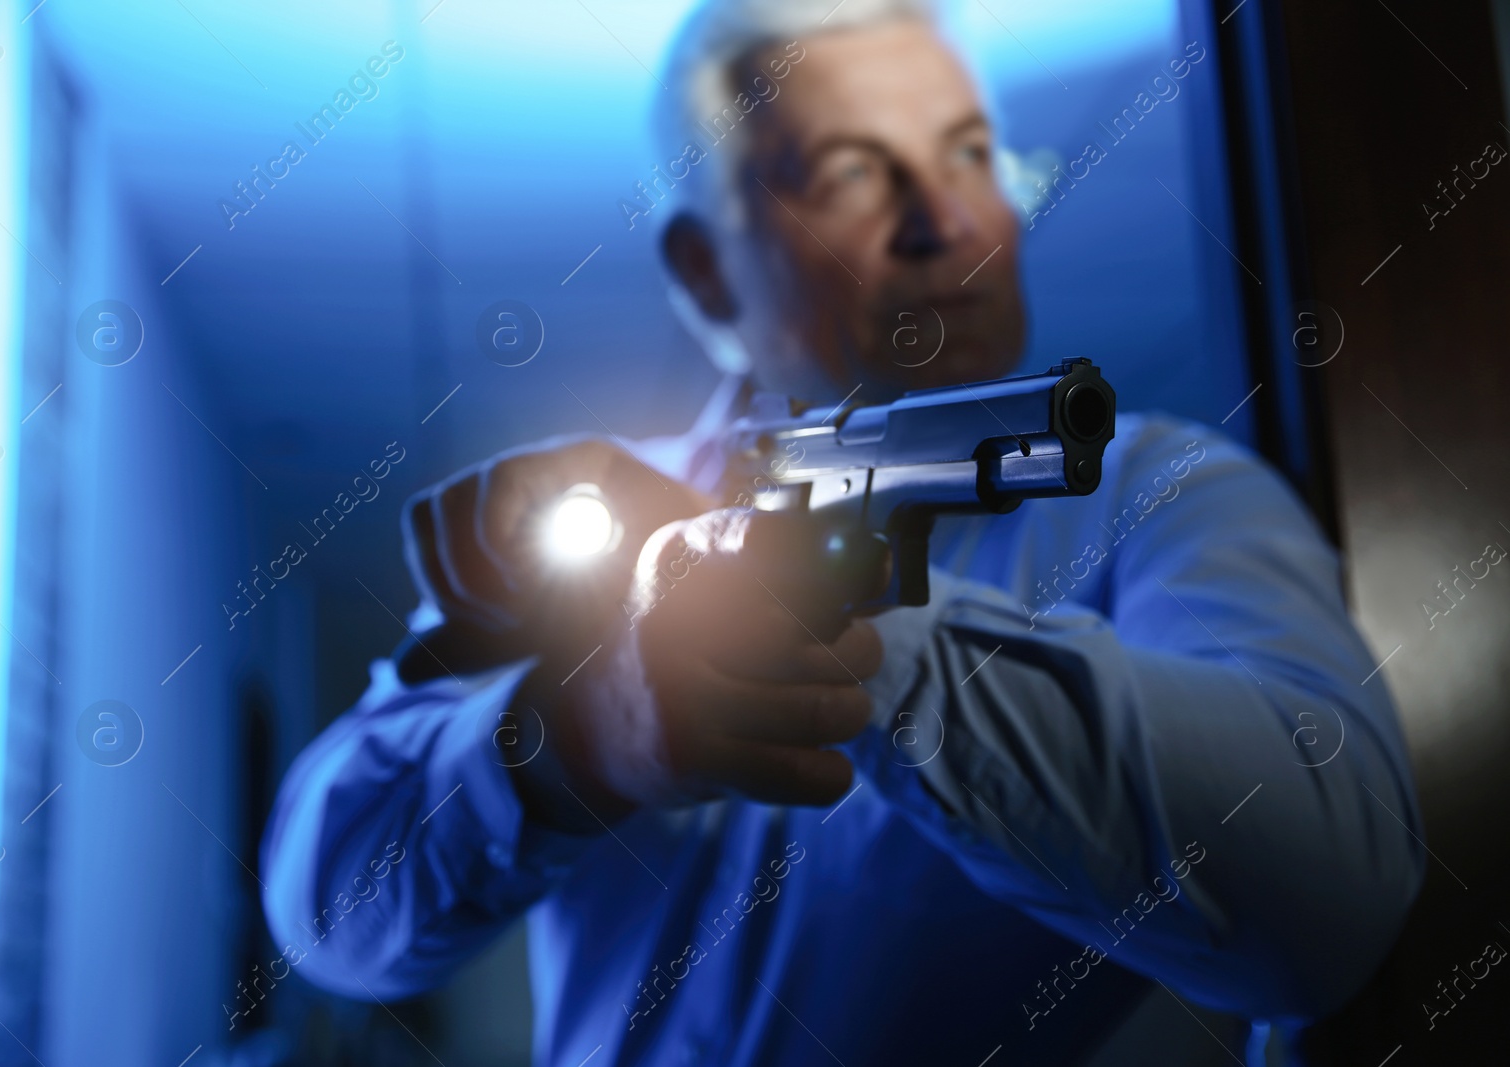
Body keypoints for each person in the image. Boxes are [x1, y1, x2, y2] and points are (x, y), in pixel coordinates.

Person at [260, 1, 1425, 1062]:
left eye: (969, 152)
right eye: (852, 172)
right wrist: (575, 742)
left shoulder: (1162, 489)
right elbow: (327, 917)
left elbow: (1333, 901)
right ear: (705, 273)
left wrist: (841, 623)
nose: (945, 218)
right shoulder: (582, 523)